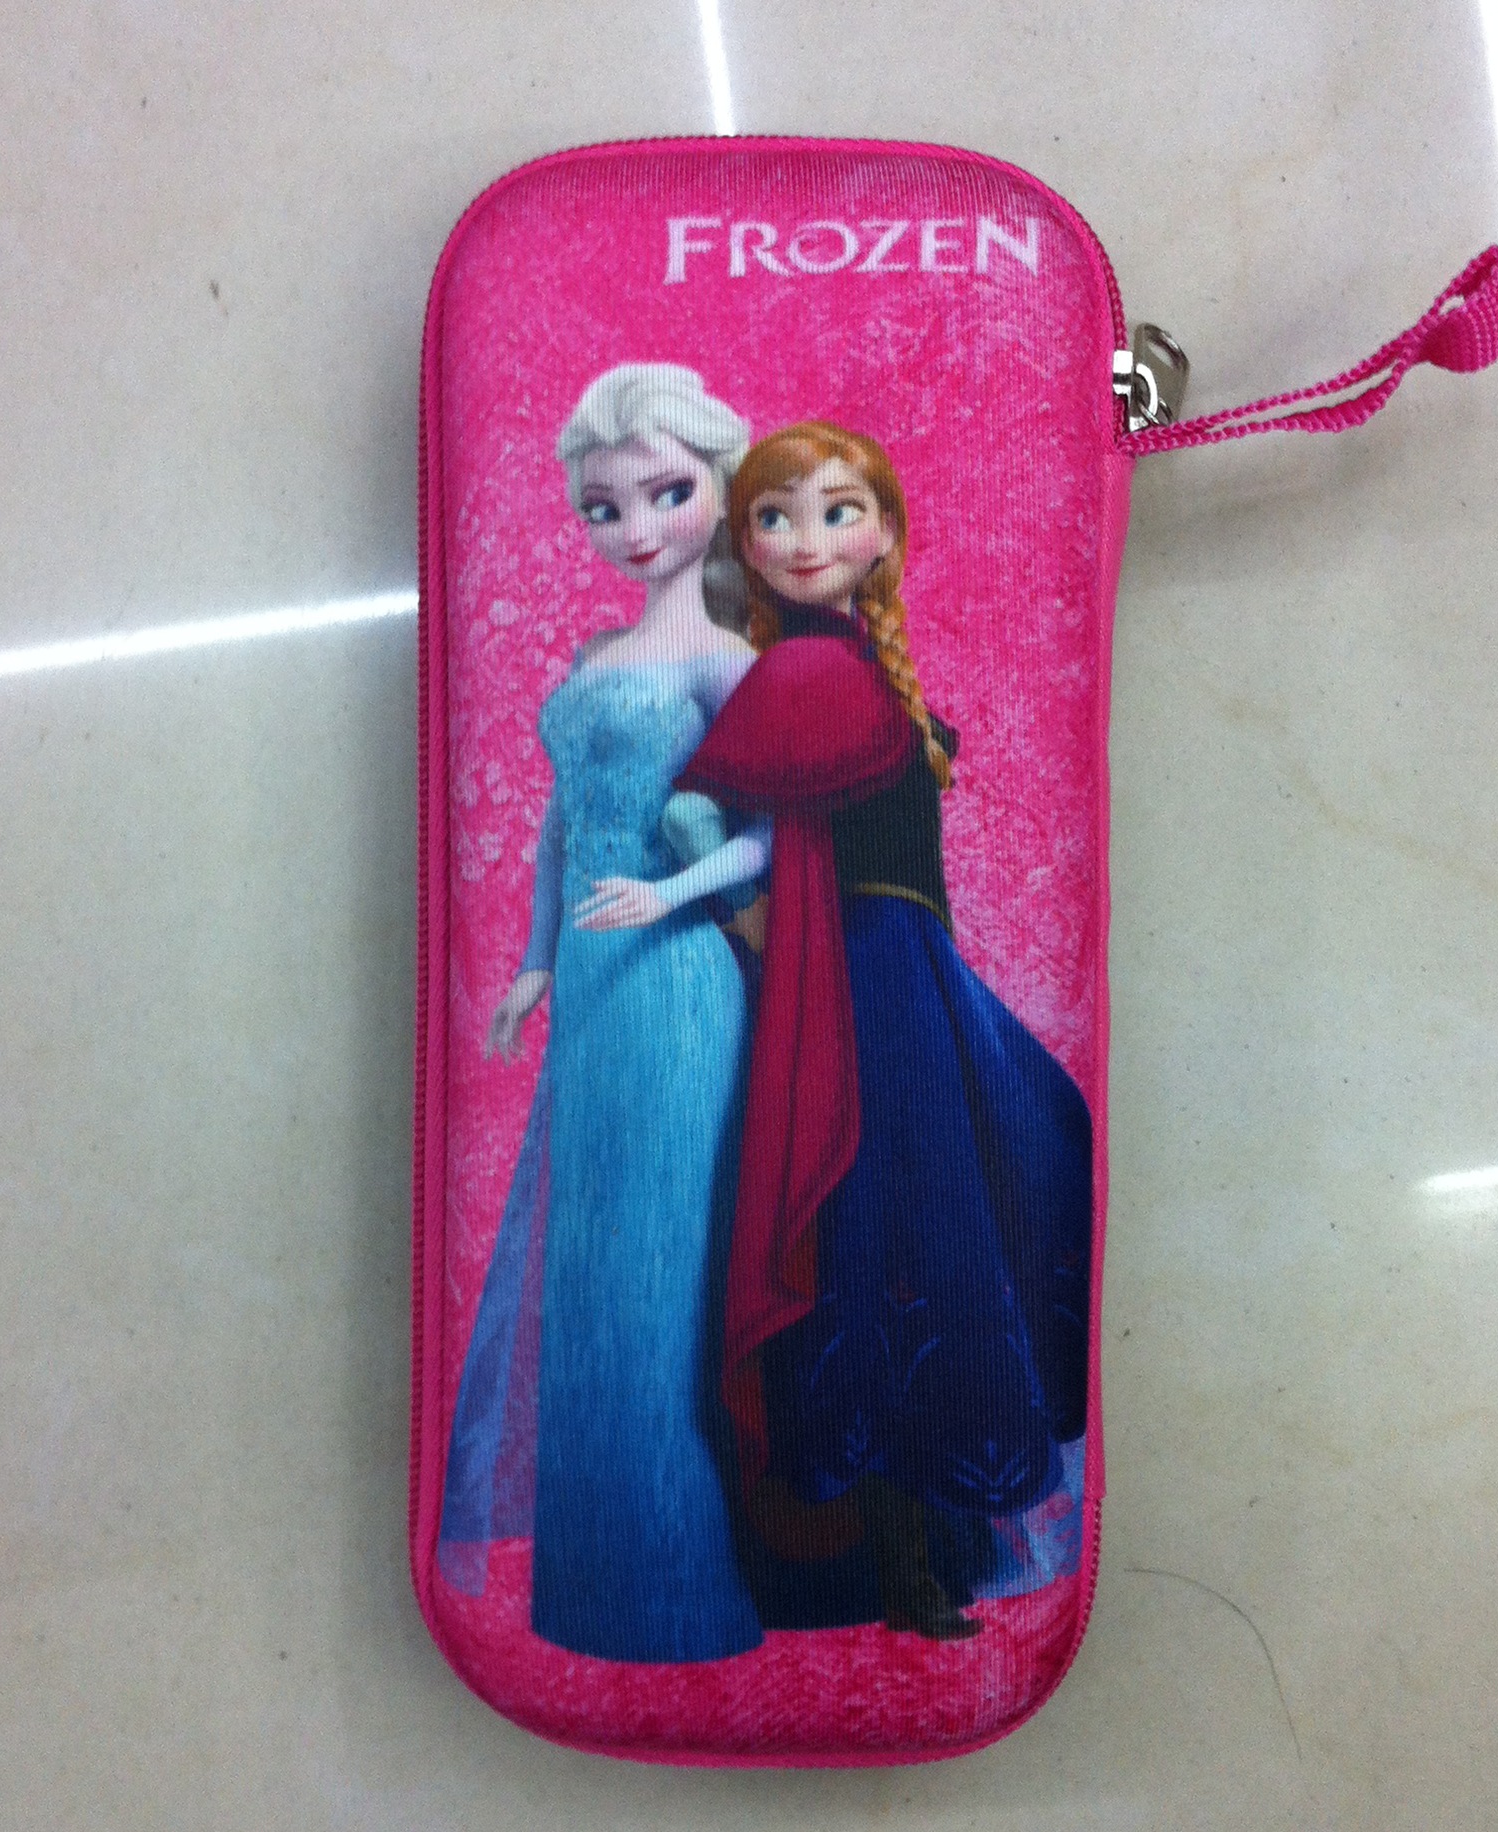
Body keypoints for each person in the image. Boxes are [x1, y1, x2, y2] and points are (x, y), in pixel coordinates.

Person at [676, 423, 1093, 1640]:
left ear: (885, 537)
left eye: (838, 511)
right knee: (898, 1237)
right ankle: (897, 1559)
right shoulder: (799, 676)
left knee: (965, 1200)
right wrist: (753, 925)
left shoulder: (846, 663)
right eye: (775, 517)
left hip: (906, 974)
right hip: (862, 985)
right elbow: (705, 808)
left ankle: (912, 1546)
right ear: (747, 547)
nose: (807, 539)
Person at [437, 364, 770, 1663]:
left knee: (658, 1275)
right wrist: (533, 962)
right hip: (587, 990)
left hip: (679, 984)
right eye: (603, 507)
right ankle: (593, 1596)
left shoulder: (732, 663)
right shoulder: (595, 662)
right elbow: (560, 825)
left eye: (666, 494)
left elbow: (774, 837)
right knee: (587, 1276)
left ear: (719, 488)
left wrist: (667, 890)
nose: (636, 529)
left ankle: (686, 1595)